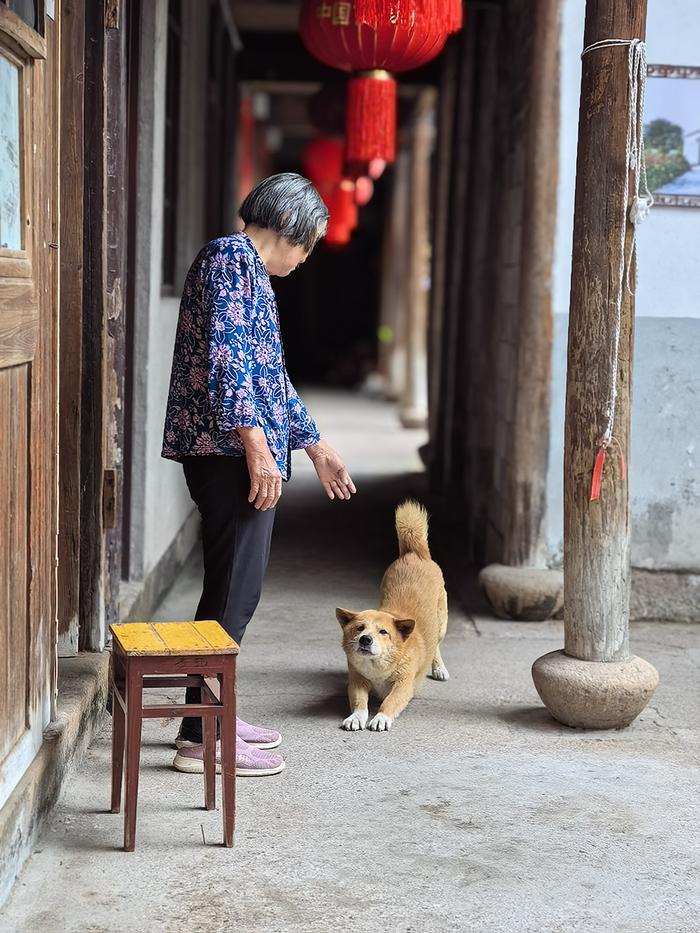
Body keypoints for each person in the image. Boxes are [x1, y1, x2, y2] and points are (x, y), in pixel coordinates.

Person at [161, 173, 356, 777]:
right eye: (310, 242)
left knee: (231, 591)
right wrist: (257, 448)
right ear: (290, 230)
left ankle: (207, 717)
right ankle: (201, 738)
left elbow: (268, 376)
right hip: (226, 457)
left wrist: (315, 445)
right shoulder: (229, 259)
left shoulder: (250, 272)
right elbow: (228, 365)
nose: (308, 256)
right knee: (231, 595)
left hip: (234, 453)